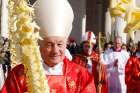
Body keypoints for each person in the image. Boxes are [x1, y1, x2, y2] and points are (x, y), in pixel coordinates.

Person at [0, 0, 96, 93]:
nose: (55, 51)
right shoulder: (20, 75)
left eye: (59, 44)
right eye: (49, 44)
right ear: (39, 45)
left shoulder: (81, 76)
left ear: (66, 44)